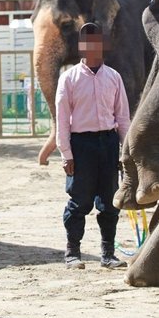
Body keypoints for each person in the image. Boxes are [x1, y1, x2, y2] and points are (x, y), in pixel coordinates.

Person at [54, 22, 130, 269]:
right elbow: (62, 119)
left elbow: (123, 118)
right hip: (81, 144)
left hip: (108, 143)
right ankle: (72, 253)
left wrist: (125, 150)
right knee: (79, 201)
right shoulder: (69, 79)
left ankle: (108, 254)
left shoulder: (114, 77)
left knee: (109, 201)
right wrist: (66, 153)